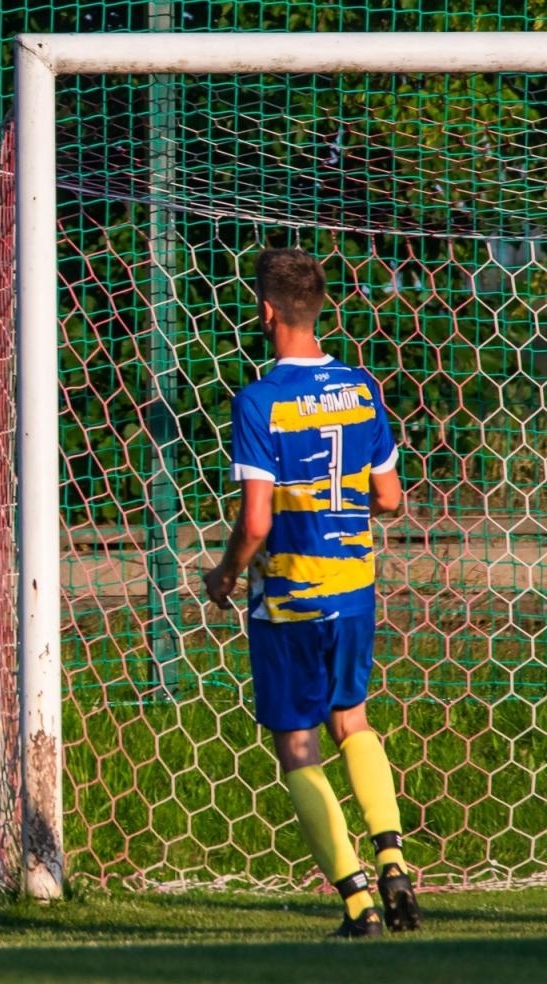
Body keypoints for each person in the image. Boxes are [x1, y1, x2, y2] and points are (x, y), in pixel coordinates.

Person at [203, 247, 420, 938]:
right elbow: (390, 498)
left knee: (298, 743)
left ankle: (357, 901)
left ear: (266, 312)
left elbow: (257, 519)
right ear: (317, 306)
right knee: (352, 718)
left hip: (292, 600)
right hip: (355, 590)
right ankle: (394, 858)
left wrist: (227, 572)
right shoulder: (362, 388)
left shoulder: (258, 401)